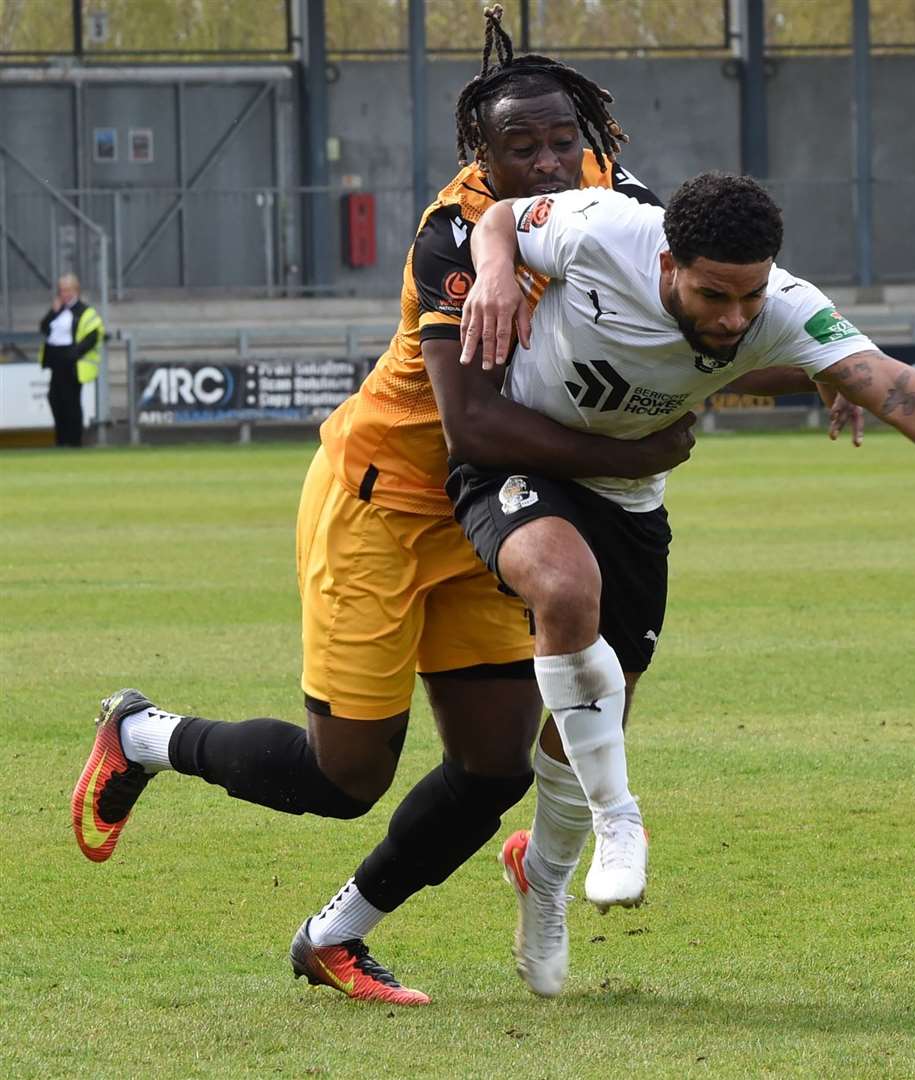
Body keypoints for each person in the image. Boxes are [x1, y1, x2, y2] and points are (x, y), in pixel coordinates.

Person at [69, 5, 721, 1007]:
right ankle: (143, 735)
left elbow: (712, 290)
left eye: (563, 140)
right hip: (381, 499)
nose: (549, 160)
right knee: (344, 779)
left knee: (495, 761)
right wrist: (627, 445)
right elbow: (472, 430)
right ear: (479, 155)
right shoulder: (452, 237)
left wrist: (831, 373)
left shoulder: (618, 198)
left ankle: (335, 935)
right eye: (521, 146)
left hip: (490, 514)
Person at [440, 171, 915, 997]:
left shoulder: (784, 308)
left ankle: (543, 878)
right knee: (562, 588)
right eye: (712, 295)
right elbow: (508, 216)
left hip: (630, 497)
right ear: (665, 260)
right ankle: (618, 815)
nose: (734, 318)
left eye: (750, 295)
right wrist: (490, 271)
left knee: (602, 701)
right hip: (518, 462)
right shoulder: (601, 228)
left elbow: (902, 390)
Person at [39, 273, 103, 447]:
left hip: (72, 363)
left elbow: (93, 335)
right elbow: (44, 328)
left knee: (71, 402)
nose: (64, 293)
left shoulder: (84, 311)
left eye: (67, 290)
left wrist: (74, 353)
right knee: (55, 400)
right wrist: (53, 311)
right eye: (61, 290)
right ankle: (61, 440)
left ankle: (74, 441)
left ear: (76, 290)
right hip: (56, 363)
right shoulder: (58, 309)